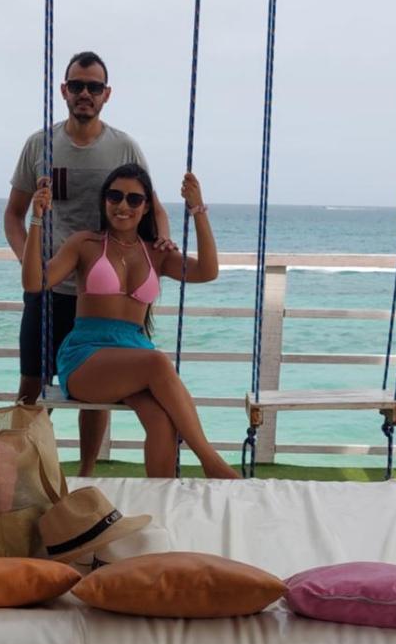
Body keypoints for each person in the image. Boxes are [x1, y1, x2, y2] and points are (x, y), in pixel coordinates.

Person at [5, 52, 172, 476]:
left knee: (95, 397)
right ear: (64, 90)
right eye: (77, 85)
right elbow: (13, 215)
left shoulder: (123, 147)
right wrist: (31, 264)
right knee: (32, 383)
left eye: (93, 87)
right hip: (53, 288)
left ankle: (86, 472)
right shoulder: (39, 145)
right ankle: (20, 474)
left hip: (102, 293)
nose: (85, 93)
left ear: (106, 94)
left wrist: (161, 244)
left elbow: (151, 206)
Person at [22, 162, 238, 480]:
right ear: (104, 200)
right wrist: (37, 219)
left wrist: (197, 209)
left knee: (162, 422)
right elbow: (34, 282)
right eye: (115, 196)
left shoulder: (156, 253)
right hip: (86, 357)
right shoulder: (85, 244)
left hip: (134, 358)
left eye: (134, 199)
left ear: (146, 206)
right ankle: (211, 462)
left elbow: (208, 271)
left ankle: (162, 499)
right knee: (158, 362)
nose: (123, 206)